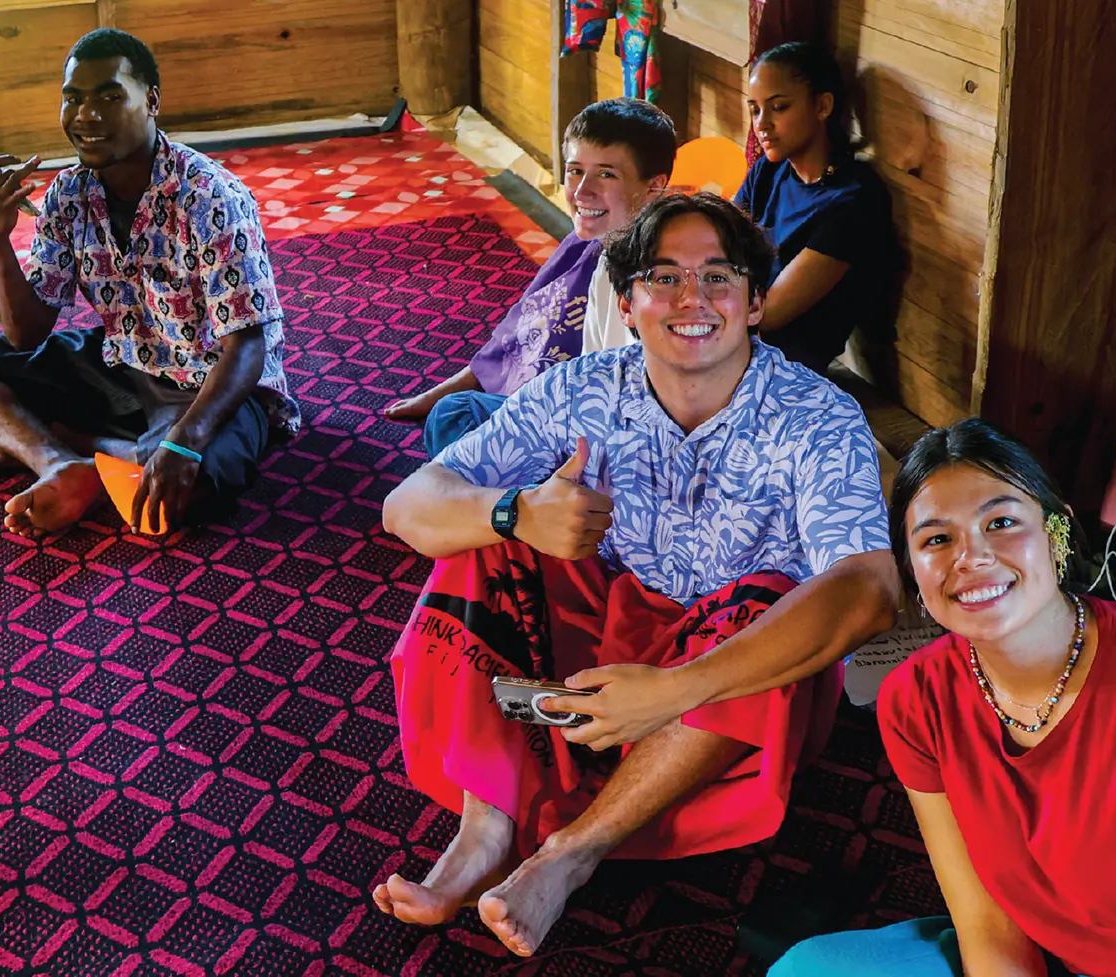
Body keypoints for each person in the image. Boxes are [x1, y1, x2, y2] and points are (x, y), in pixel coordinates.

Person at [373, 192, 900, 957]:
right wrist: (515, 513)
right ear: (627, 304)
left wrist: (678, 688)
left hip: (733, 677)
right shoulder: (586, 385)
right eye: (665, 278)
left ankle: (570, 854)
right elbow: (407, 504)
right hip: (608, 633)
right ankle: (485, 828)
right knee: (486, 541)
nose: (694, 300)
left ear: (755, 303)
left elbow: (871, 591)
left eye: (720, 277)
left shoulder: (817, 415)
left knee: (778, 599)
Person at [771, 418, 1116, 977]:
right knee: (809, 970)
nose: (972, 557)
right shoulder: (915, 700)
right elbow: (988, 926)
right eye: (937, 539)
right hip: (1068, 947)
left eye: (1002, 522)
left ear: (1055, 535)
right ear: (913, 574)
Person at [0, 28, 296, 539]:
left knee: (180, 495)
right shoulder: (68, 195)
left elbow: (247, 349)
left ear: (152, 102)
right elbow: (25, 334)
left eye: (109, 96)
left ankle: (81, 445)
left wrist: (184, 443)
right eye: (73, 98)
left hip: (209, 383)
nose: (86, 114)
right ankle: (60, 461)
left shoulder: (210, 197)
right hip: (121, 362)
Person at [382, 97, 676, 455]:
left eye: (606, 174)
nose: (582, 192)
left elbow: (640, 406)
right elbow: (578, 365)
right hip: (585, 419)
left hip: (624, 446)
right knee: (455, 416)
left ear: (654, 186)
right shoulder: (601, 252)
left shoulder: (659, 278)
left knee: (457, 422)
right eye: (574, 171)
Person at [736, 41, 903, 385]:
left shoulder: (853, 203)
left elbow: (767, 317)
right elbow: (711, 244)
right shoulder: (769, 172)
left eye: (778, 107)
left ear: (823, 106)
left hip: (780, 374)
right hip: (729, 343)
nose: (761, 124)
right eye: (755, 110)